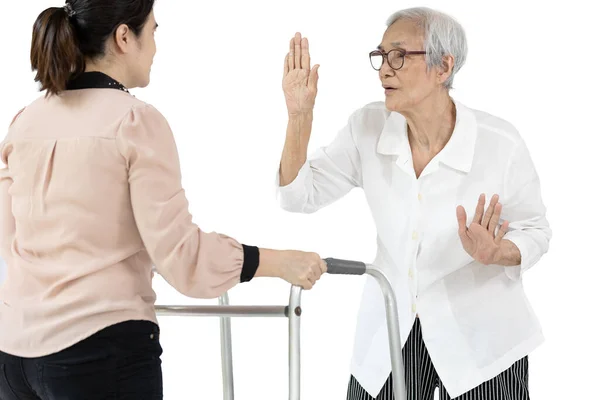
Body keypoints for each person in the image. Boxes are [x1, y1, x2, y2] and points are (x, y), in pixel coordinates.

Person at [0, 1, 327, 399]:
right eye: (153, 31)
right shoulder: (134, 121)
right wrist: (278, 262)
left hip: (14, 356)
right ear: (124, 38)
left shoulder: (24, 122)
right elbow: (183, 259)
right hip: (98, 351)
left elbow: (11, 242)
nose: (155, 46)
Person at [277, 6, 551, 400]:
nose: (385, 69)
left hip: (483, 340)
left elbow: (537, 232)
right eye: (381, 56)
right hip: (390, 328)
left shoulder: (500, 143)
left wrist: (499, 252)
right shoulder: (366, 128)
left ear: (444, 67)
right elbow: (297, 196)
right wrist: (299, 117)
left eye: (400, 55)